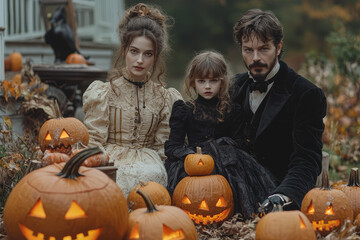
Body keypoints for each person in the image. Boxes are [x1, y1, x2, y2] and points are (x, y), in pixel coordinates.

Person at [230, 9, 327, 214]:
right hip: (234, 191)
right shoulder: (232, 87)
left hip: (277, 191)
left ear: (278, 47)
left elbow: (306, 159)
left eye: (264, 49)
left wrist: (283, 196)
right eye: (248, 50)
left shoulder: (306, 94)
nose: (255, 57)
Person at [82, 3, 182, 197]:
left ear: (155, 57)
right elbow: (94, 139)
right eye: (134, 51)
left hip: (149, 162)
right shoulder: (105, 92)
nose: (139, 60)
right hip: (112, 158)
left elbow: (162, 146)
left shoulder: (164, 97)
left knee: (152, 176)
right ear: (124, 51)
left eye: (148, 54)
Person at [165, 50, 276, 219]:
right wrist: (191, 155)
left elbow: (240, 142)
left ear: (222, 82)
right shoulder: (184, 110)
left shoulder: (232, 110)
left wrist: (221, 145)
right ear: (193, 82)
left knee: (233, 193)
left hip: (227, 162)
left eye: (213, 81)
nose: (207, 86)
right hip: (195, 163)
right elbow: (173, 146)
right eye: (201, 81)